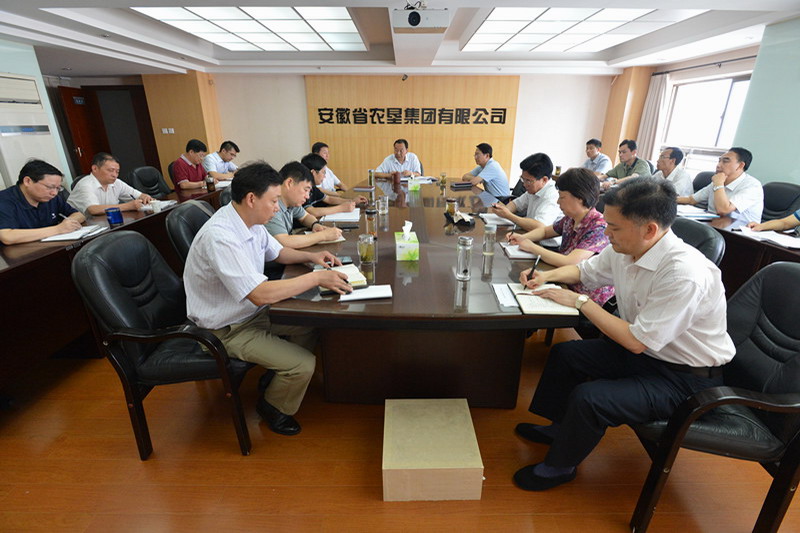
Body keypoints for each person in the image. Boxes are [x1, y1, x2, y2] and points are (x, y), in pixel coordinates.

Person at [512, 177, 734, 491]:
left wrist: (580, 302)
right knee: (567, 354)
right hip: (646, 354)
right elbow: (585, 271)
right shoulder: (627, 246)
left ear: (649, 230)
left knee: (591, 398)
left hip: (684, 378)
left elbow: (636, 340)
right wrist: (545, 278)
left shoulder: (684, 274)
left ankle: (559, 467)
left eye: (614, 227)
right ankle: (558, 428)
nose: (606, 233)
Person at [183, 161, 352, 436]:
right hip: (226, 329)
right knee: (303, 364)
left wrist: (312, 257)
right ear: (252, 199)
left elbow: (278, 253)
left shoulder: (250, 221)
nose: (277, 208)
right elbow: (259, 294)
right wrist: (317, 278)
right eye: (273, 201)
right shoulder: (221, 237)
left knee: (310, 325)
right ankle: (273, 407)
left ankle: (276, 375)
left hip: (249, 314)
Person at [507, 167, 613, 307]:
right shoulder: (570, 218)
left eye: (562, 197)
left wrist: (532, 247)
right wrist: (524, 238)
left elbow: (570, 262)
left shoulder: (599, 226)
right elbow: (545, 232)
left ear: (580, 198)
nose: (558, 202)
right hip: (564, 282)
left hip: (586, 298)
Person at [0, 159, 85, 245]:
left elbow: (79, 215)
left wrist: (68, 224)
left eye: (58, 188)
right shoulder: (4, 200)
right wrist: (58, 229)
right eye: (50, 187)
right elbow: (7, 236)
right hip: (21, 252)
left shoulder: (51, 198)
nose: (54, 193)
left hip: (51, 248)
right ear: (27, 181)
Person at [489, 153, 562, 247]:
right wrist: (503, 210)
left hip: (547, 246)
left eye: (528, 181)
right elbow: (516, 204)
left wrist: (509, 215)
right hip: (530, 238)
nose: (524, 184)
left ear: (544, 180)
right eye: (523, 179)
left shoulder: (552, 196)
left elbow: (540, 227)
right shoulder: (533, 190)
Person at [265, 161, 344, 248]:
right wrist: (323, 235)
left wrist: (315, 224)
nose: (307, 196)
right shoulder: (272, 206)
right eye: (305, 190)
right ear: (289, 183)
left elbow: (305, 217)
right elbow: (284, 241)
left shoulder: (291, 202)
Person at [678, 147, 763, 224]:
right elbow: (691, 200)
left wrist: (719, 184)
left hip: (738, 233)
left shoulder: (752, 186)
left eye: (725, 161)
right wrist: (670, 199)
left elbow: (723, 210)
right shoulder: (718, 180)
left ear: (740, 165)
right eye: (719, 161)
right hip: (713, 225)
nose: (718, 165)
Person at [67, 152, 153, 216]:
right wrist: (128, 206)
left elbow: (139, 195)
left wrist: (145, 197)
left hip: (105, 221)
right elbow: (93, 209)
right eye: (110, 170)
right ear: (95, 168)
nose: (115, 175)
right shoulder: (85, 185)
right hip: (82, 226)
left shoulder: (117, 182)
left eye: (117, 171)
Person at [300, 153, 366, 219]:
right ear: (313, 173)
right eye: (323, 172)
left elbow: (329, 199)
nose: (324, 176)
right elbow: (312, 212)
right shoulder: (302, 190)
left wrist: (352, 201)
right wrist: (341, 208)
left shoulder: (313, 188)